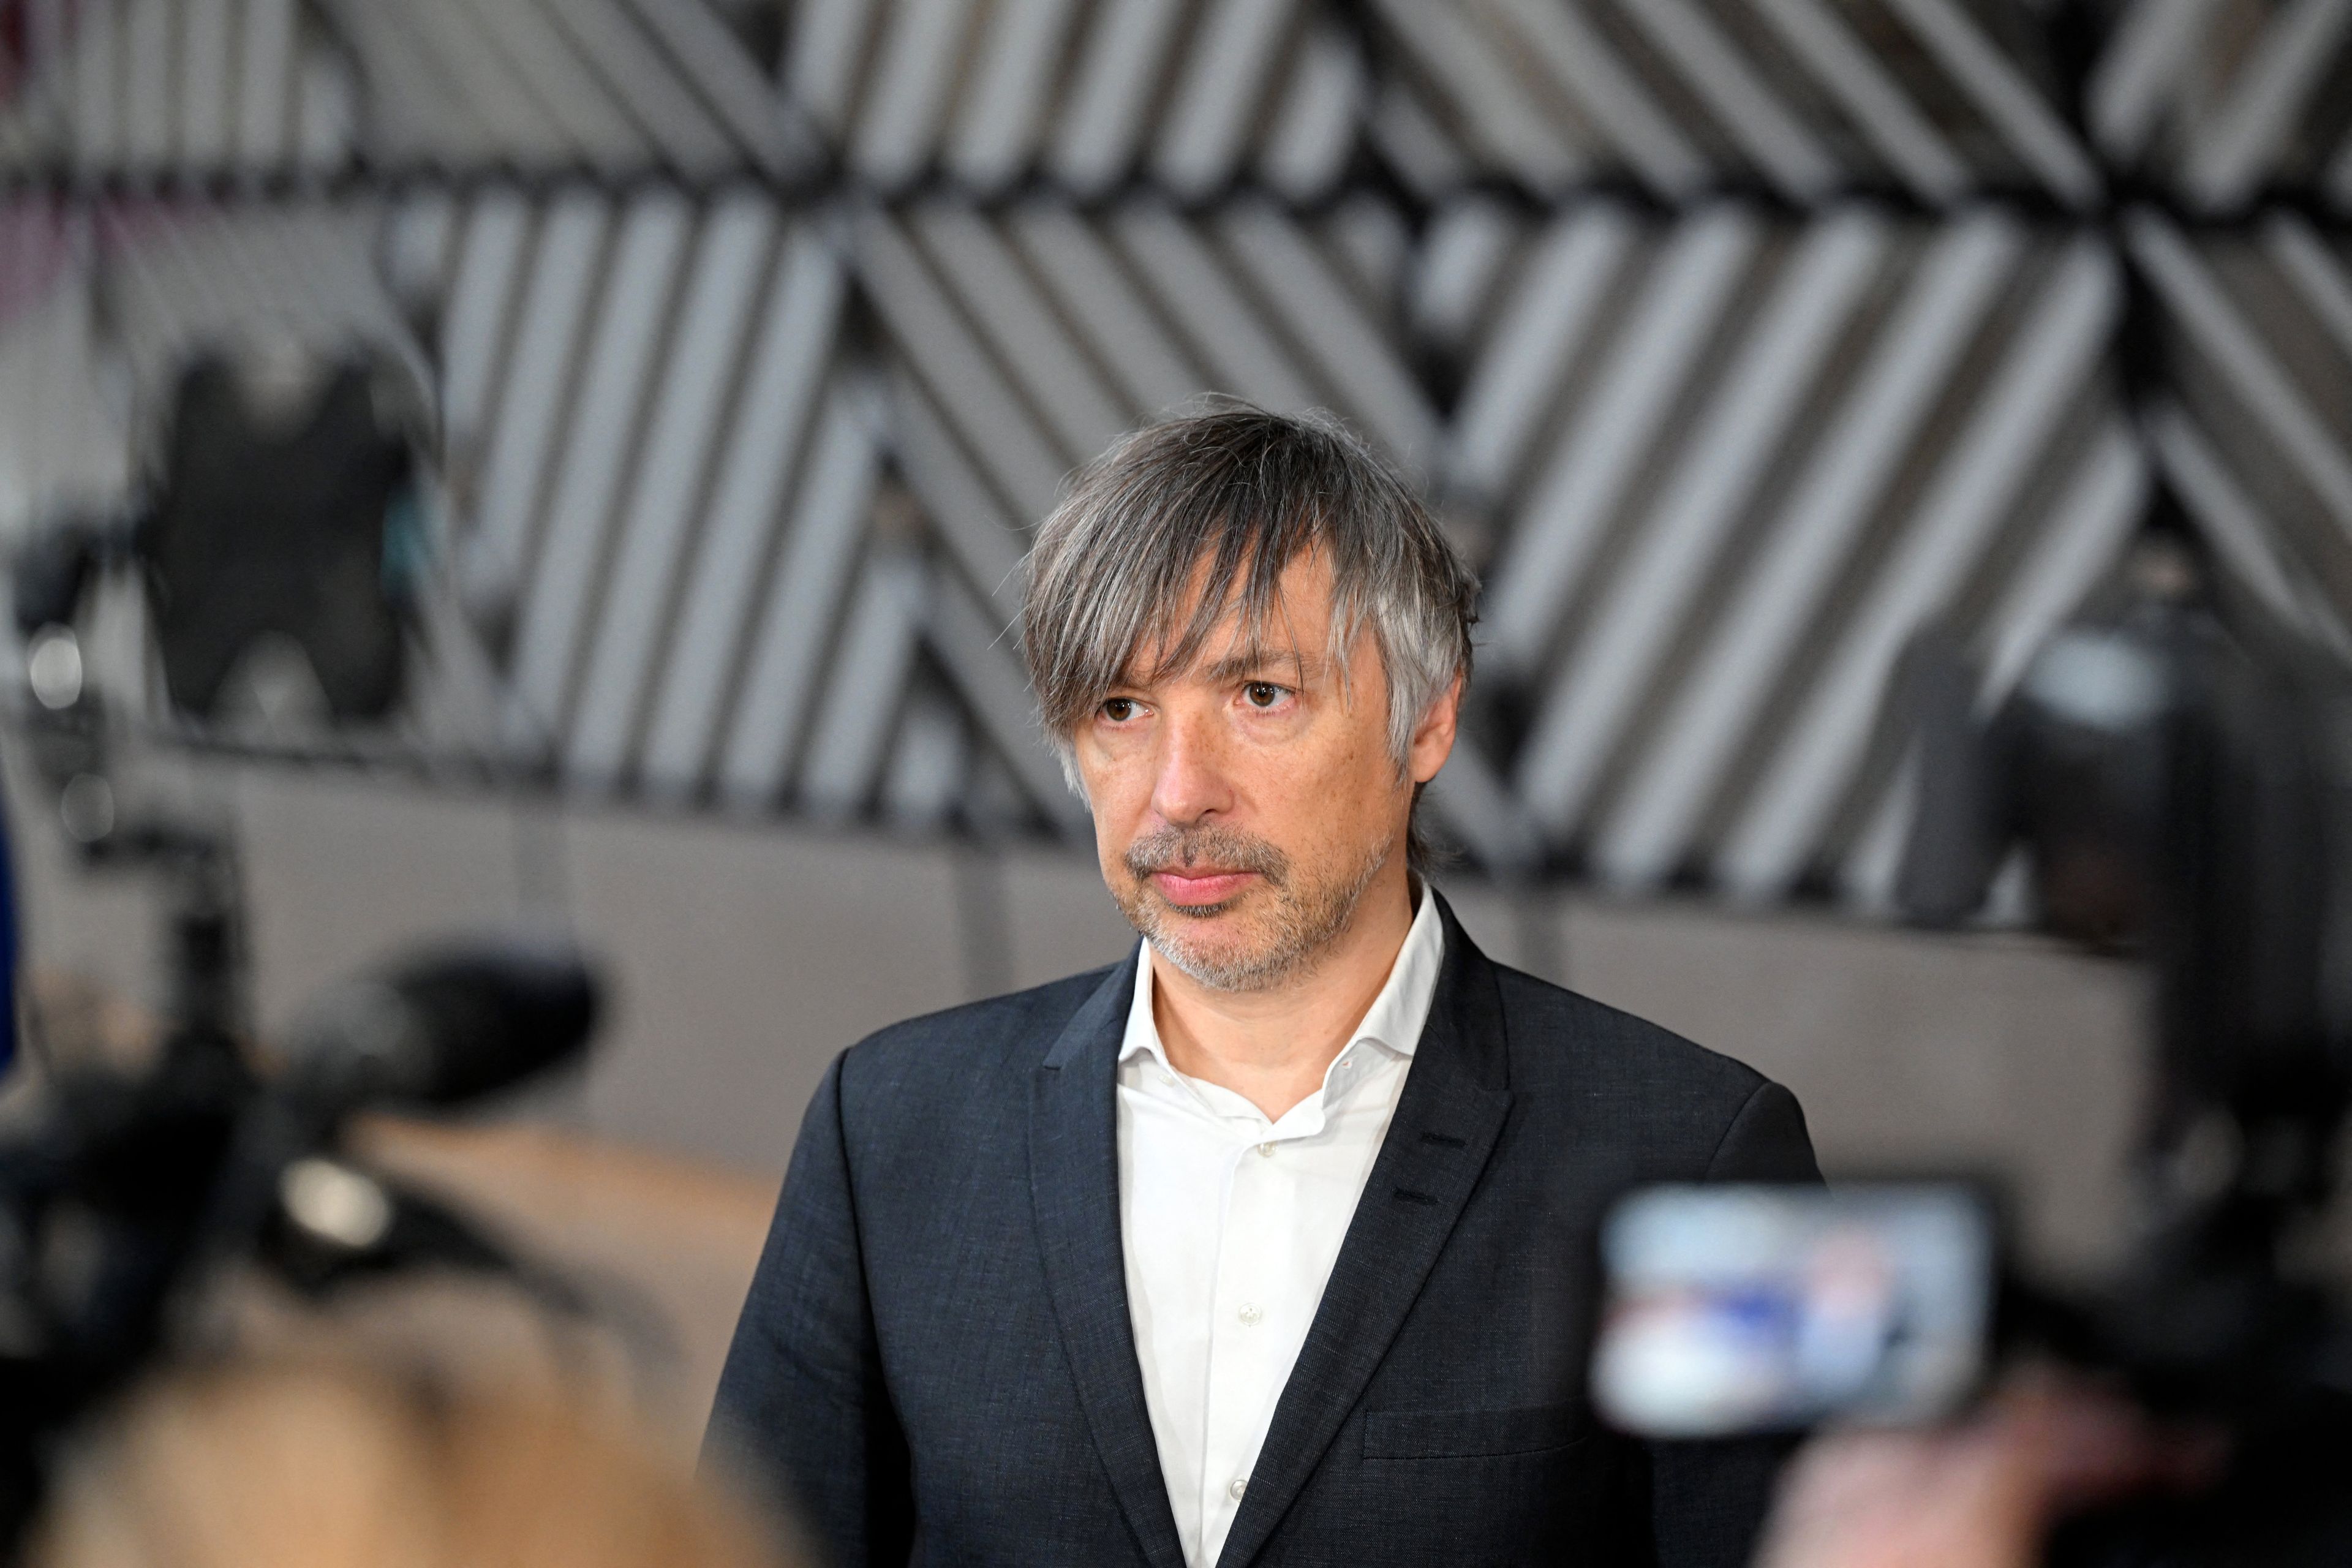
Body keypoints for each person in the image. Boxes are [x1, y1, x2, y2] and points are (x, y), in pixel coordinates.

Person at [704, 403, 1819, 1567]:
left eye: (1260, 696)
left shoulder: (1691, 1155)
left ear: (1427, 716)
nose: (1179, 794)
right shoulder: (887, 1130)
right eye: (1122, 710)